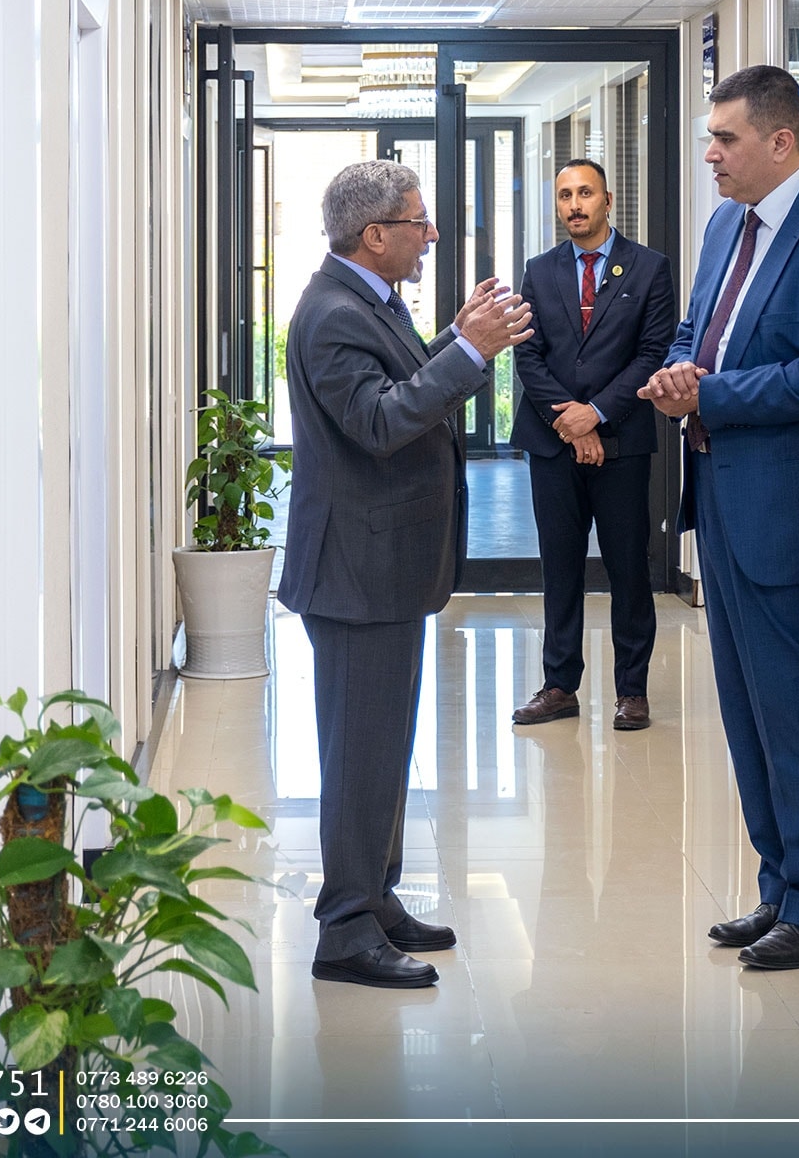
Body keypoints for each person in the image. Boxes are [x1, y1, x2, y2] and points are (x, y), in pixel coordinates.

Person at [639, 65, 799, 970]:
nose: (710, 154)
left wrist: (709, 394)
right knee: (745, 709)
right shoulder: (724, 225)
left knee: (798, 709)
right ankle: (778, 886)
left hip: (786, 509)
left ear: (782, 142)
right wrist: (678, 373)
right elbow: (694, 334)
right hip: (719, 497)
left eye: (725, 139)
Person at [280, 160, 532, 989]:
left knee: (382, 746)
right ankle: (346, 930)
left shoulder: (367, 300)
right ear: (375, 234)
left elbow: (397, 381)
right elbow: (381, 422)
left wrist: (450, 341)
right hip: (356, 569)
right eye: (419, 223)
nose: (432, 235)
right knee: (361, 755)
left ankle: (375, 898)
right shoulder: (331, 315)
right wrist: (469, 351)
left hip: (381, 565)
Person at [508, 158, 677, 733]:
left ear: (607, 200)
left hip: (622, 442)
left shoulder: (649, 268)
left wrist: (597, 414)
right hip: (553, 442)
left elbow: (653, 353)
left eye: (584, 193)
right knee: (560, 567)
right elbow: (528, 354)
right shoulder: (539, 271)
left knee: (629, 567)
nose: (574, 205)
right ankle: (559, 686)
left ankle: (632, 690)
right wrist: (572, 424)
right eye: (564, 196)